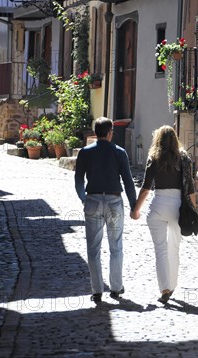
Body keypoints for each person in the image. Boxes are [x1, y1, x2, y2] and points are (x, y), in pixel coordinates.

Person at [75, 117, 137, 303]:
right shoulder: (119, 152)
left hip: (93, 200)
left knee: (93, 249)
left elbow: (79, 180)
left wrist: (83, 198)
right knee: (115, 246)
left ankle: (97, 290)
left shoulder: (85, 152)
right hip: (114, 202)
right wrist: (134, 205)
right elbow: (128, 182)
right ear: (110, 133)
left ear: (96, 133)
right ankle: (116, 288)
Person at [131, 125, 195, 304]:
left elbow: (145, 189)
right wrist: (193, 211)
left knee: (160, 250)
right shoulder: (184, 159)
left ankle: (165, 289)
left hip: (158, 205)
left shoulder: (154, 158)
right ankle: (172, 286)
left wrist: (136, 209)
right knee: (174, 249)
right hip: (178, 207)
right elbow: (190, 188)